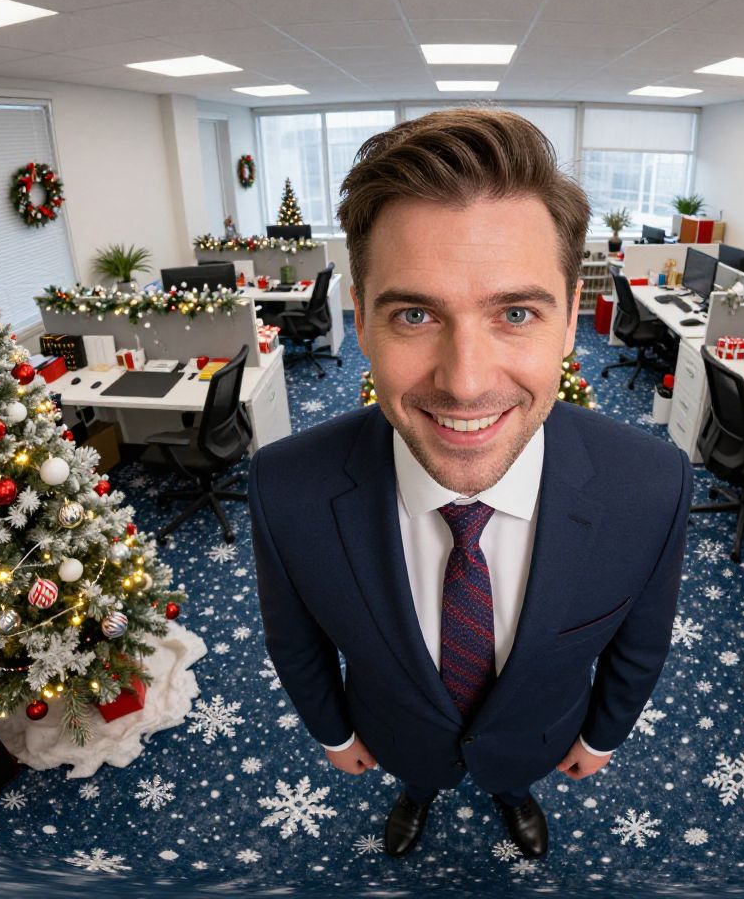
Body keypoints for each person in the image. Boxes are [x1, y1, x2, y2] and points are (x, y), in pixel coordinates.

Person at [250, 108, 692, 861]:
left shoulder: (651, 486)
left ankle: (512, 795)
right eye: (414, 314)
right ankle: (418, 791)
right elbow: (295, 642)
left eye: (516, 312)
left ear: (569, 323)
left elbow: (641, 643)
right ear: (362, 322)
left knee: (510, 778)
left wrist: (601, 737)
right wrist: (335, 733)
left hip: (539, 740)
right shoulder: (285, 488)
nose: (464, 383)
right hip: (394, 736)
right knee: (420, 773)